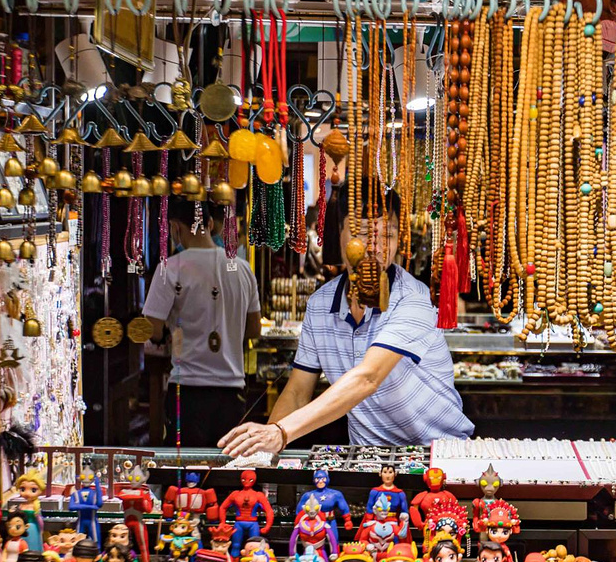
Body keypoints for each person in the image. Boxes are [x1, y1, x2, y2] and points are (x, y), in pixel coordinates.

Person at [220, 183, 473, 455]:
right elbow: (296, 392)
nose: (376, 247)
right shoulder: (319, 305)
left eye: (387, 234)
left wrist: (281, 433)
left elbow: (368, 377)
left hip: (435, 455)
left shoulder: (413, 298)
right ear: (337, 234)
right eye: (363, 233)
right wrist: (262, 449)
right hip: (367, 459)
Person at [144, 199, 262, 447]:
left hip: (188, 389)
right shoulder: (241, 268)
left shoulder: (170, 268)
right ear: (210, 223)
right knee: (229, 471)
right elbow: (254, 330)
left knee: (186, 475)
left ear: (175, 227)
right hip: (232, 390)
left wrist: (169, 330)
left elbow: (151, 329)